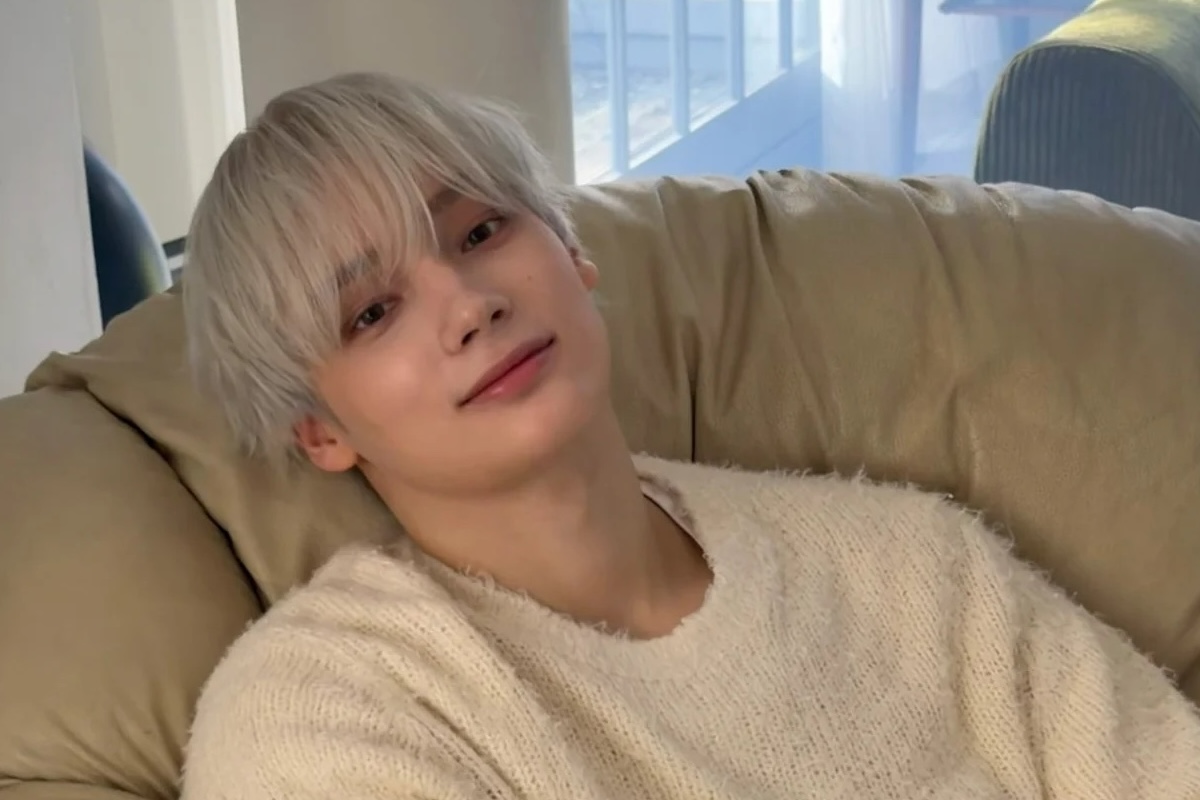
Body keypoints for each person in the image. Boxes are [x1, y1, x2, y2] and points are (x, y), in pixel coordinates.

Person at [179, 72, 1200, 800]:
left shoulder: (915, 567)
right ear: (317, 430)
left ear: (571, 250)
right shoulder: (318, 714)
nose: (467, 302)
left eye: (481, 231)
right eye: (371, 312)